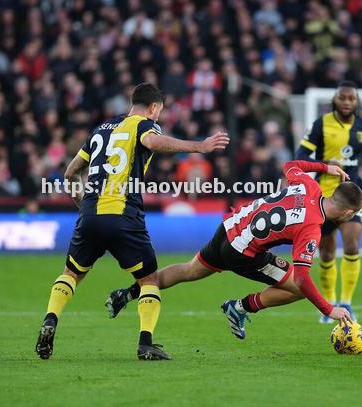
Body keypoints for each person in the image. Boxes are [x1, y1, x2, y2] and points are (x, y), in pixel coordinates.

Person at [35, 83, 229, 361]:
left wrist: (83, 204)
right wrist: (199, 146)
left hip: (90, 214)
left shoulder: (100, 130)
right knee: (149, 279)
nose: (158, 118)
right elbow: (153, 142)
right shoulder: (143, 125)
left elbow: (70, 173)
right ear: (153, 108)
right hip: (124, 214)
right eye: (158, 113)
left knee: (72, 273)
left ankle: (51, 318)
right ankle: (145, 343)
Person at [106, 160, 362, 340]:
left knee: (188, 270)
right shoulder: (312, 228)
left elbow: (290, 166)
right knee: (299, 290)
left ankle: (126, 294)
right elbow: (302, 278)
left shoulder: (310, 186)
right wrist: (328, 309)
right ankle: (240, 307)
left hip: (229, 227)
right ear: (348, 212)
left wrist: (325, 168)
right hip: (242, 252)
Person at [295, 81, 362, 323]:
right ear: (335, 100)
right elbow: (300, 156)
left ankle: (347, 302)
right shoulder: (321, 125)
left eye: (352, 98)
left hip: (353, 194)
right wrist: (324, 164)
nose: (347, 102)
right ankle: (328, 304)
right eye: (343, 98)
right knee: (327, 252)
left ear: (356, 101)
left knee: (352, 246)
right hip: (325, 199)